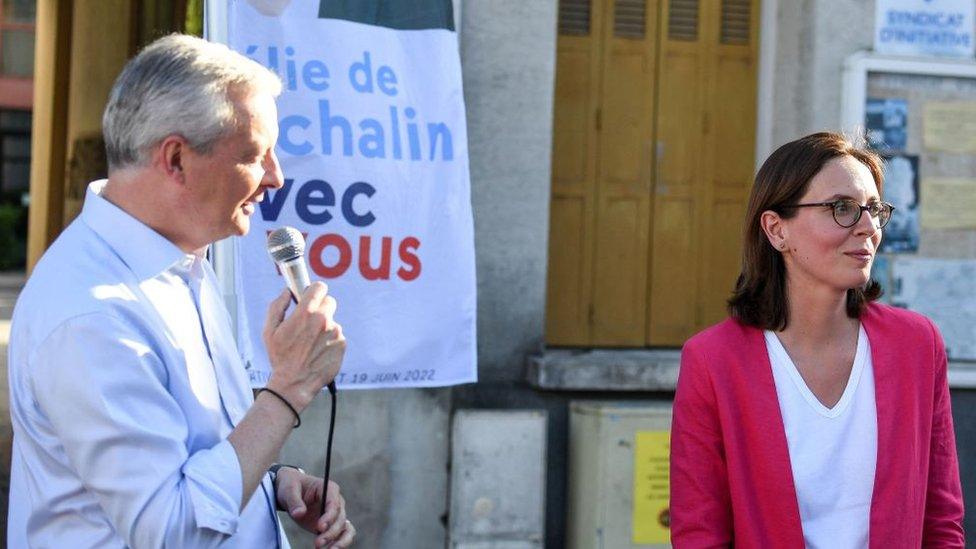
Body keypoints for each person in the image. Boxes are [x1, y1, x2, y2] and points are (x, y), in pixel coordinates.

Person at [7, 34, 355, 548]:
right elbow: (172, 531)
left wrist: (271, 482)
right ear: (175, 160)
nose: (276, 178)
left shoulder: (181, 259)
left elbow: (192, 453)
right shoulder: (91, 314)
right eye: (255, 154)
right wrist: (287, 390)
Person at [670, 132, 964, 547]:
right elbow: (699, 531)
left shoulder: (916, 345)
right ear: (776, 230)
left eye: (874, 209)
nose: (867, 227)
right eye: (842, 208)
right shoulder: (714, 359)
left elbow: (941, 518)